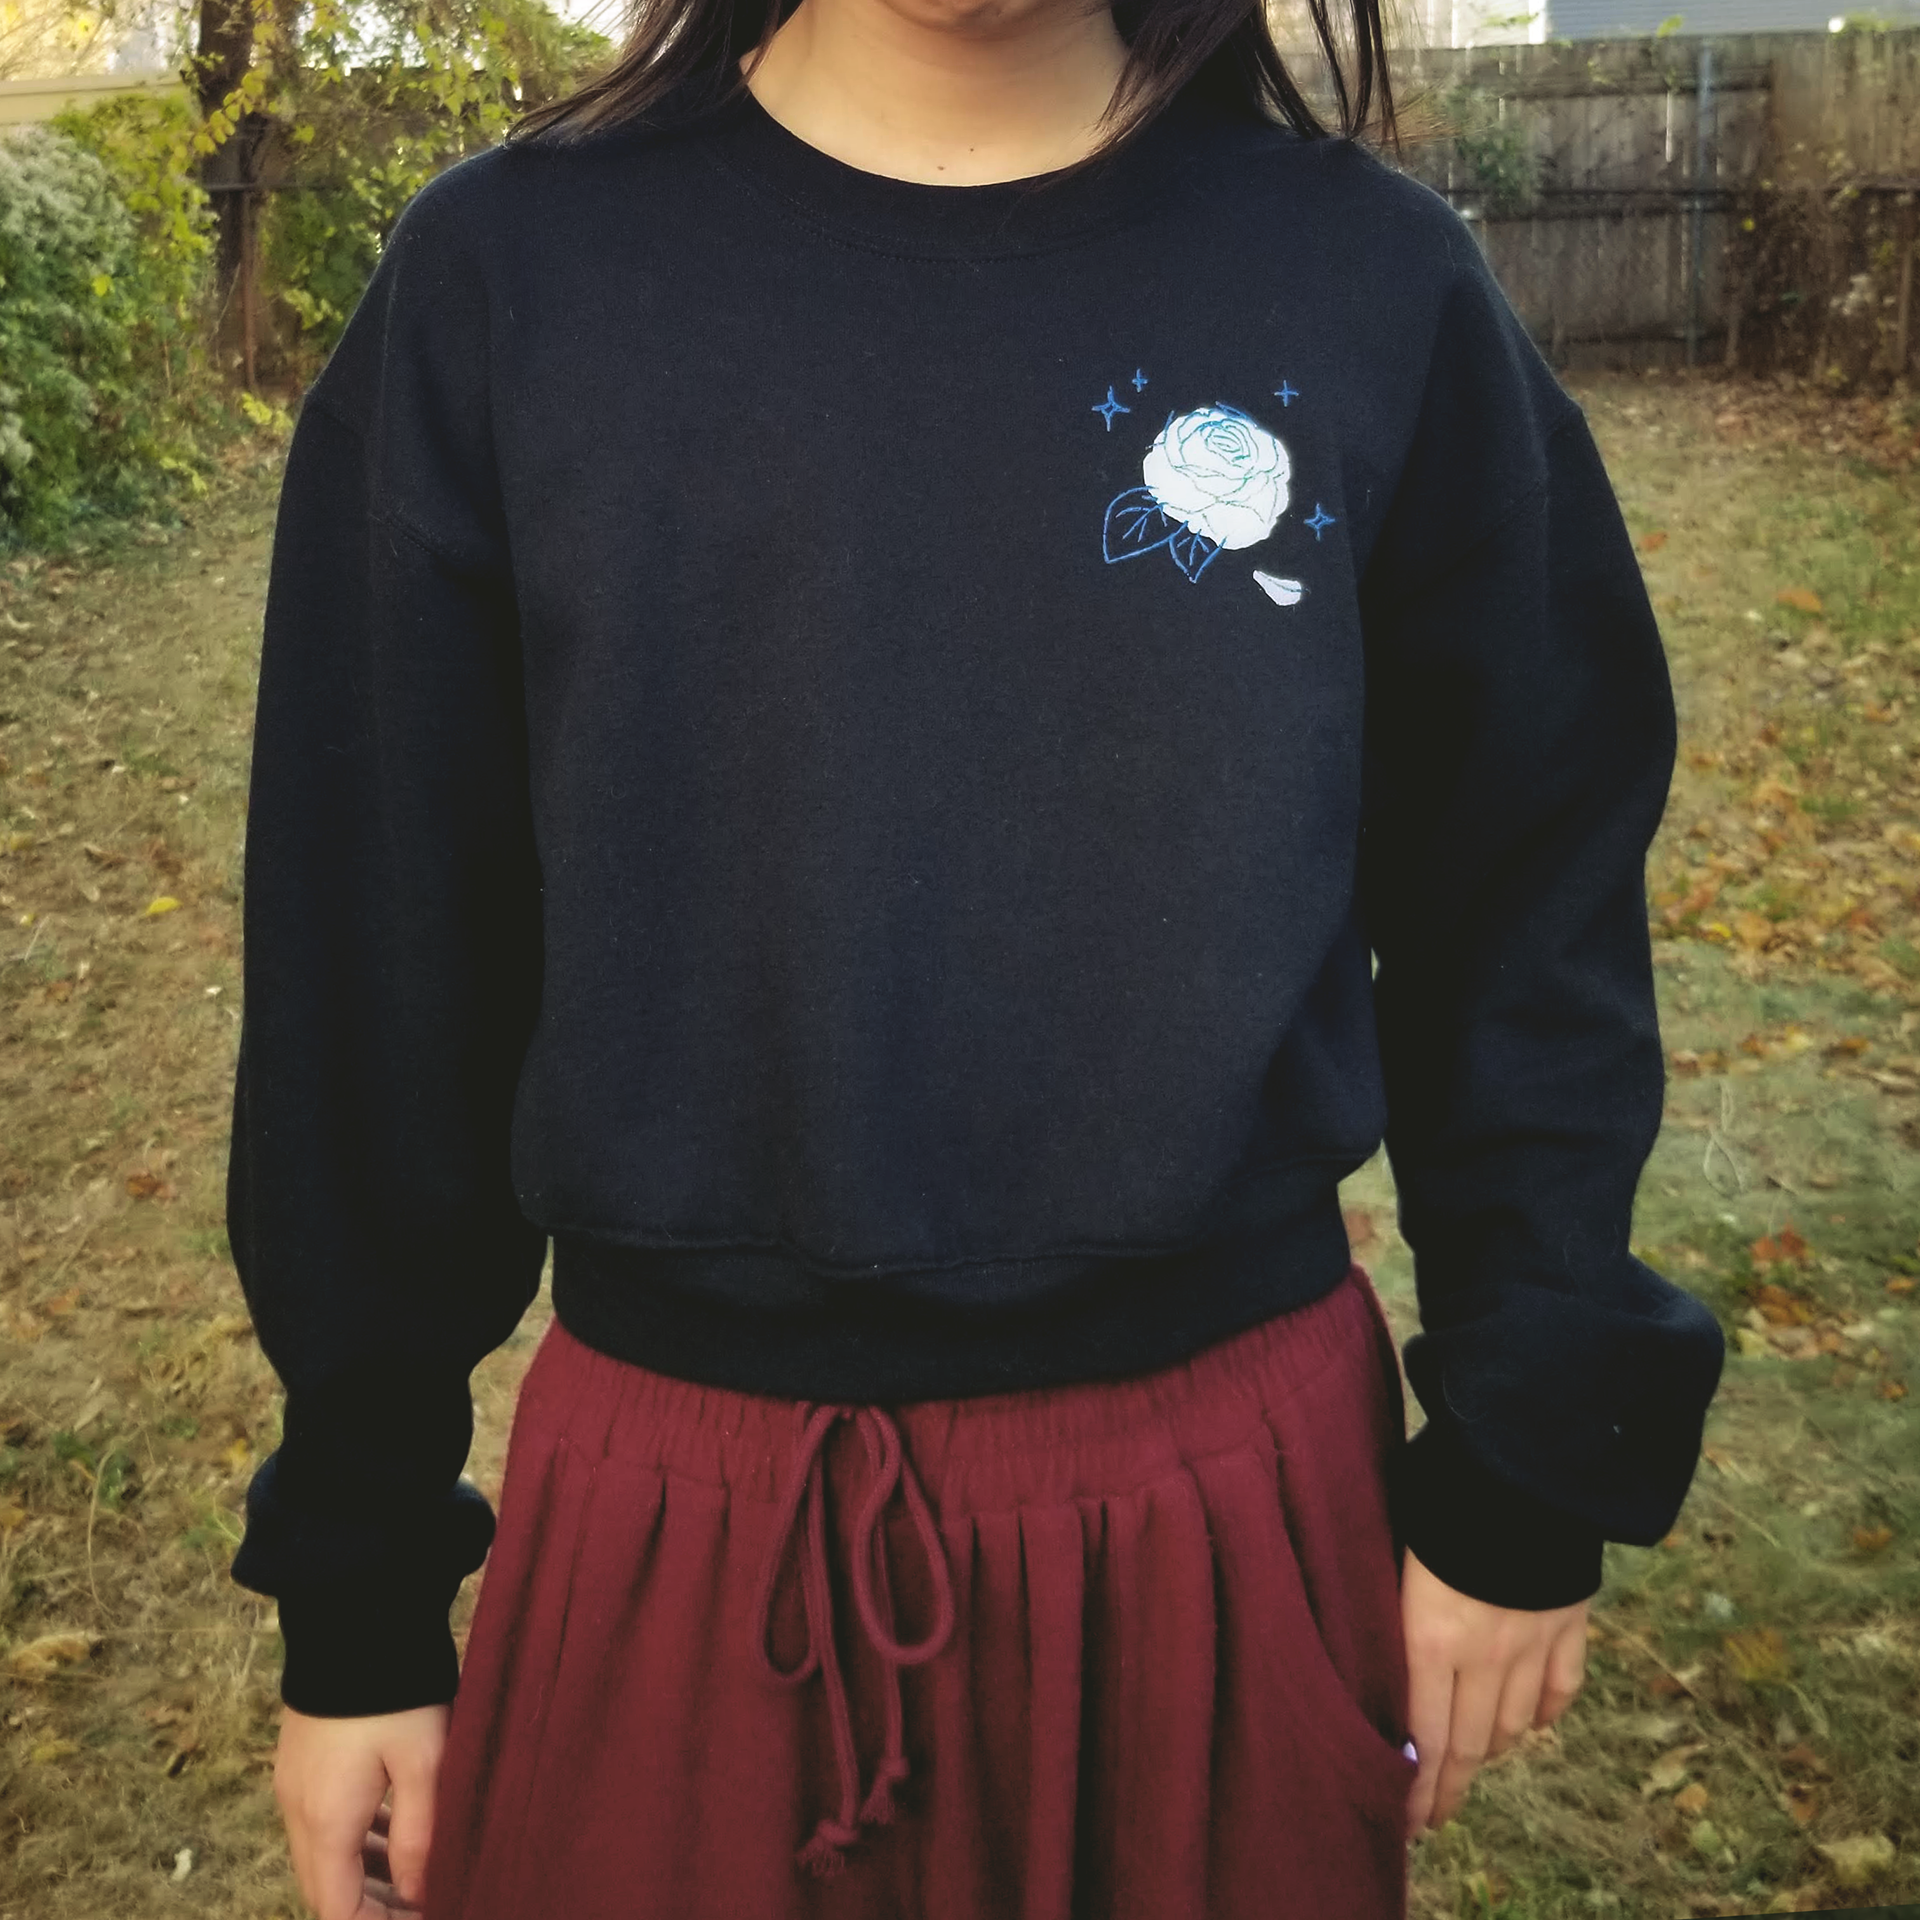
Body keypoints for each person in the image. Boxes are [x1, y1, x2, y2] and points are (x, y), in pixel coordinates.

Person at [221, 0, 1729, 1907]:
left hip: (1223, 1512)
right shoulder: (509, 279)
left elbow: (1529, 893)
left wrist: (1524, 1449)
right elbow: (376, 970)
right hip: (679, 1517)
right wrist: (359, 1584)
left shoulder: (1370, 280)